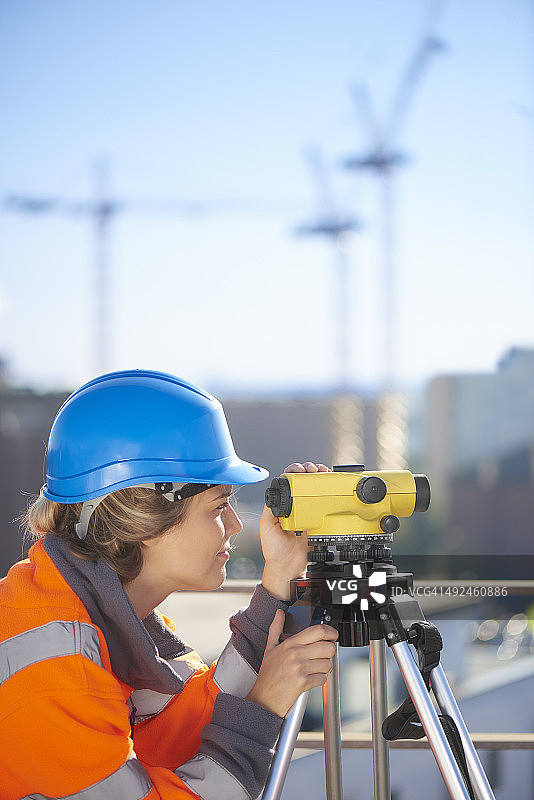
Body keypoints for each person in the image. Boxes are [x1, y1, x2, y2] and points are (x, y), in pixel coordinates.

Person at [0, 369, 338, 800]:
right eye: (219, 505)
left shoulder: (106, 615)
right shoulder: (57, 668)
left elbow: (181, 730)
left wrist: (280, 576)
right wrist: (263, 708)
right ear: (143, 518)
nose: (235, 525)